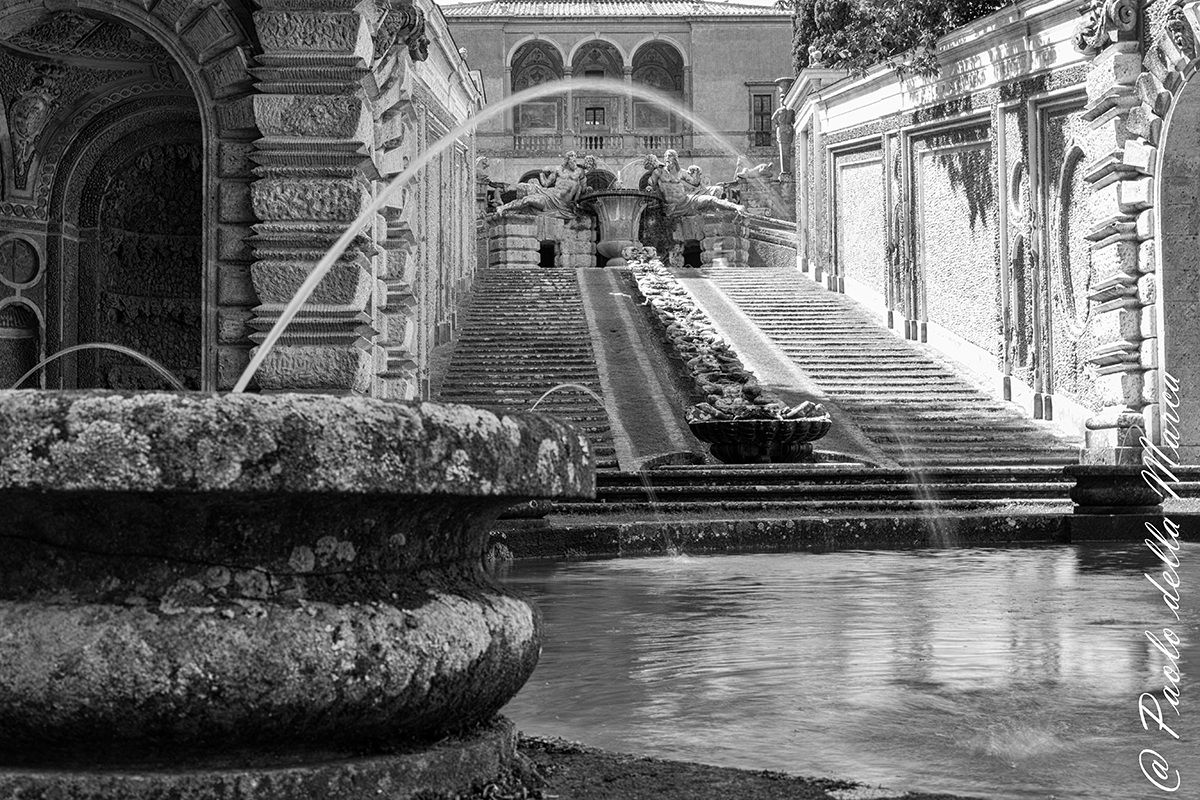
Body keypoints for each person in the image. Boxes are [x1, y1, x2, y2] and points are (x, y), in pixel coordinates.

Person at [649, 149, 744, 217]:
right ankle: (736, 207)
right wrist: (649, 187)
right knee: (710, 200)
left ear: (675, 159)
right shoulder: (659, 172)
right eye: (665, 156)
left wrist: (697, 173)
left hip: (687, 200)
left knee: (717, 189)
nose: (667, 158)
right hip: (675, 206)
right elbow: (650, 183)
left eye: (669, 156)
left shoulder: (681, 172)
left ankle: (726, 210)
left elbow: (696, 183)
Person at [493, 151, 587, 218]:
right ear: (567, 161)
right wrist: (542, 174)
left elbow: (583, 190)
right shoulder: (558, 171)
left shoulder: (579, 173)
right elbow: (545, 184)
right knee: (523, 186)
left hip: (559, 204)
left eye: (575, 161)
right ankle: (502, 191)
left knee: (528, 200)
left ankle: (503, 207)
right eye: (572, 161)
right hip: (548, 193)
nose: (574, 163)